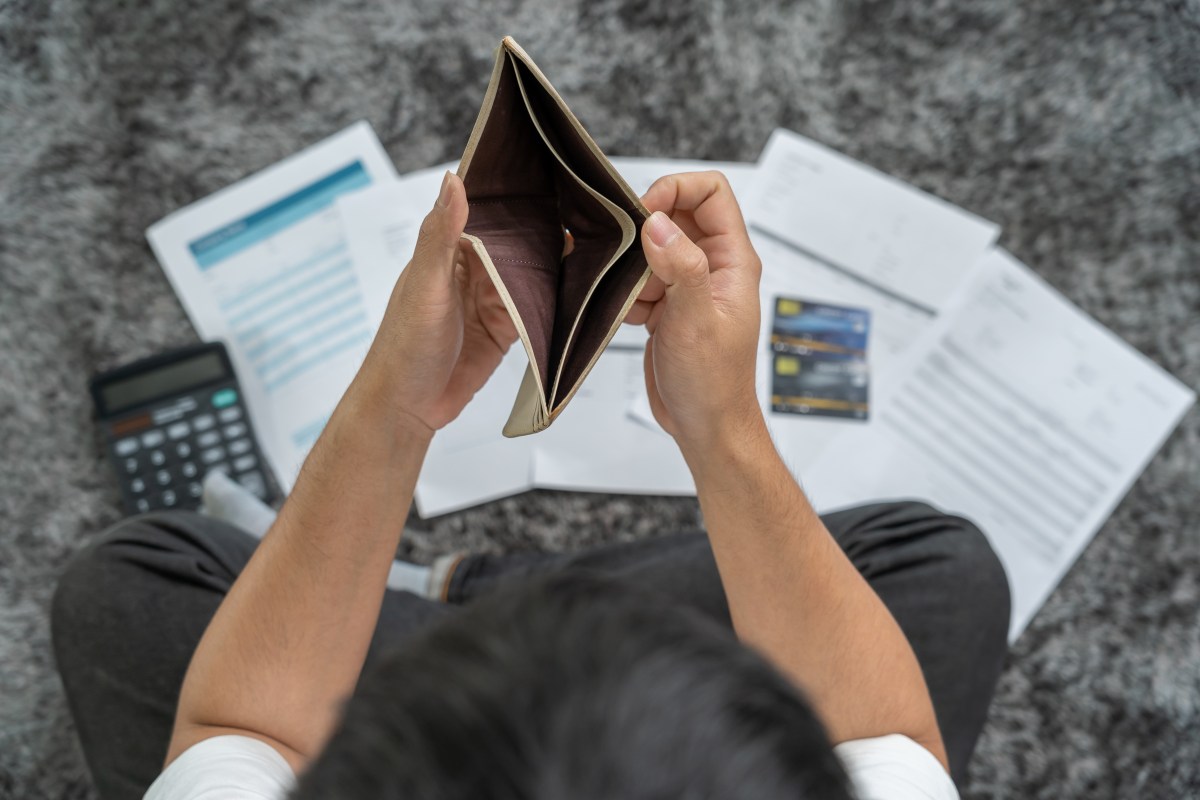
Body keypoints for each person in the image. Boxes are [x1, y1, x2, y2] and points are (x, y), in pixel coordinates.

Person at [52, 171, 1011, 800]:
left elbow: (243, 722)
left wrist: (397, 410)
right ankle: (486, 604)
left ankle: (449, 597)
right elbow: (889, 732)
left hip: (391, 669)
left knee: (127, 587)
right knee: (938, 567)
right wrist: (720, 430)